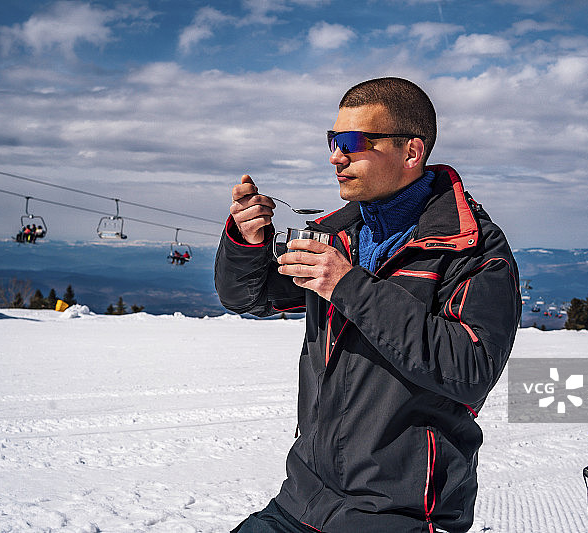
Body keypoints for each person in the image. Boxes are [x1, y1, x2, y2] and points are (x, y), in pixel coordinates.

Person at [215, 77, 521, 533]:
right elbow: (249, 297)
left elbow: (470, 368)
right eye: (333, 140)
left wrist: (349, 286)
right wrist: (247, 242)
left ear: (411, 152)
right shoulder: (337, 233)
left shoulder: (472, 250)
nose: (337, 156)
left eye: (355, 142)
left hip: (401, 514)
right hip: (303, 497)